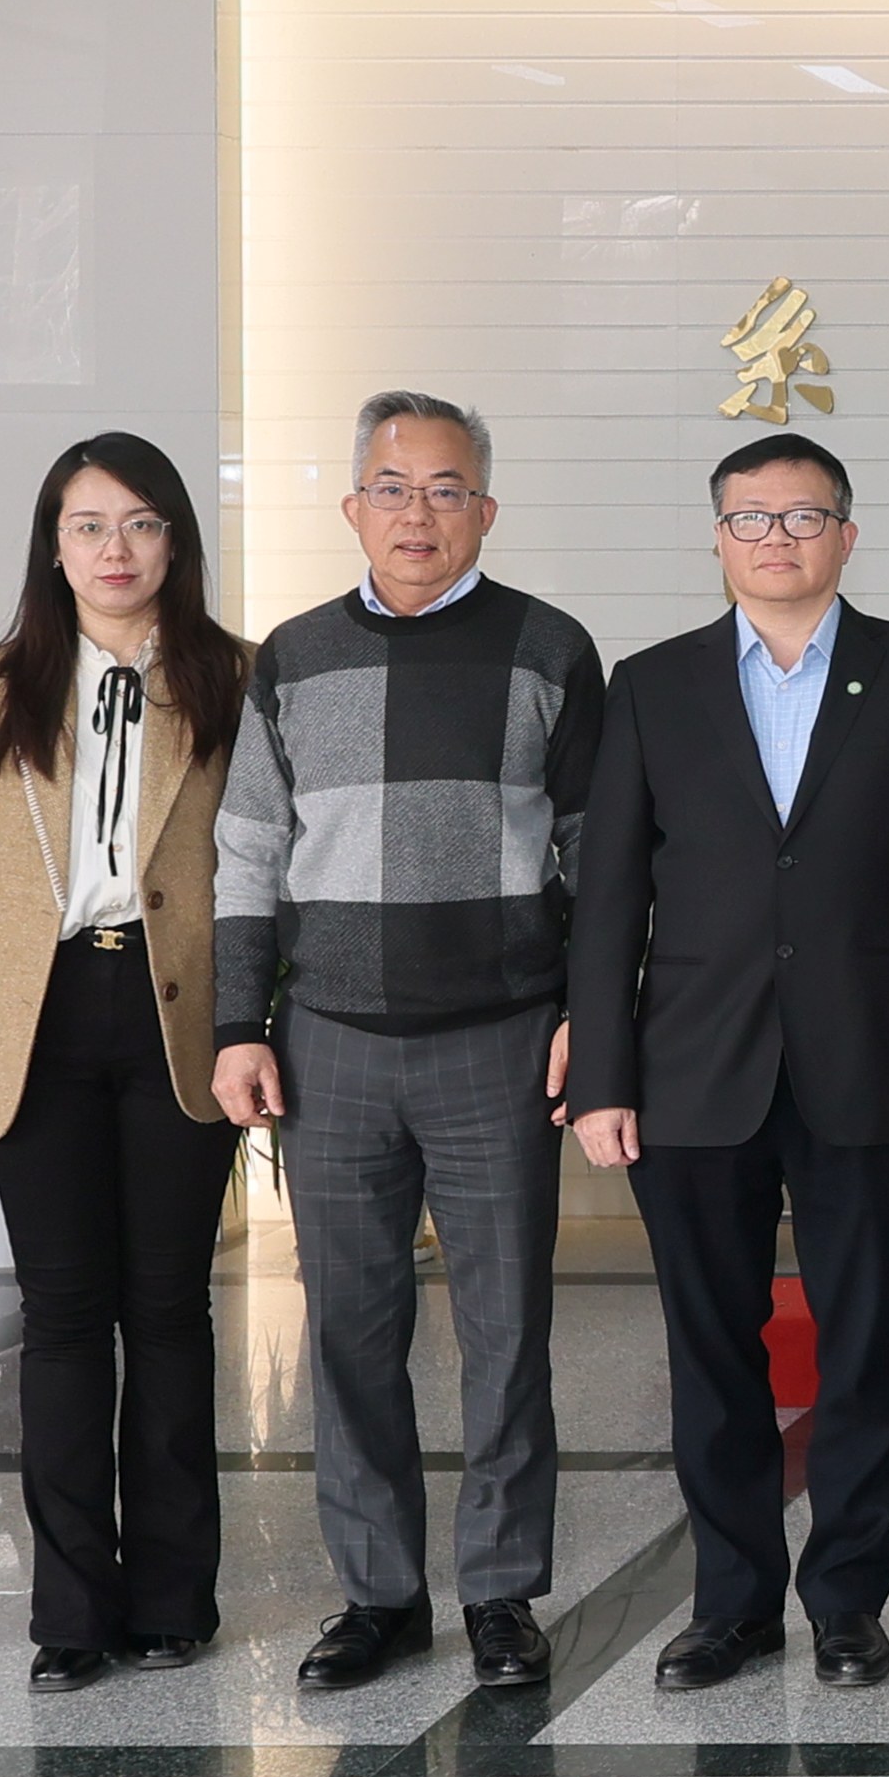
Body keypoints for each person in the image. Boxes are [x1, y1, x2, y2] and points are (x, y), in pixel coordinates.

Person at [569, 432, 889, 1693]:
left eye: (804, 516)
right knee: (711, 1348)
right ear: (718, 540)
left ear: (848, 537)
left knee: (864, 1345)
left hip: (871, 1063)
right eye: (751, 518)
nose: (777, 538)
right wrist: (601, 1074)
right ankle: (733, 1601)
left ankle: (848, 1600)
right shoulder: (653, 684)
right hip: (693, 1069)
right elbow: (607, 898)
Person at [213, 390, 604, 1695]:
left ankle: (500, 1592)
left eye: (447, 490)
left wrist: (589, 1026)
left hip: (499, 1038)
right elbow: (249, 850)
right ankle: (376, 1591)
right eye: (394, 486)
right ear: (354, 506)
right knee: (349, 1331)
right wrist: (235, 1023)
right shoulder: (292, 655)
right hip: (332, 1044)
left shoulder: (550, 648)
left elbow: (597, 856)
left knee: (506, 1331)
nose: (419, 512)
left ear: (484, 509)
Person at [0, 433, 249, 1692]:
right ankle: (71, 1611)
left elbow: (257, 852)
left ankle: (174, 1598)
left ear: (175, 540)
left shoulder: (235, 677)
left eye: (140, 524)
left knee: (168, 1311)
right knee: (63, 1321)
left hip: (180, 1014)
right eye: (87, 525)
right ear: (51, 544)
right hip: (42, 1018)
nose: (114, 550)